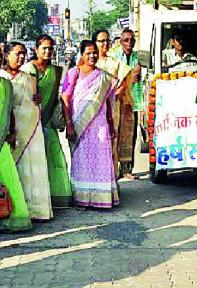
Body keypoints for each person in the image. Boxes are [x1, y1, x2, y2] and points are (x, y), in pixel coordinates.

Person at [61, 40, 119, 210]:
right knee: (82, 159)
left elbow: (108, 102)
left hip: (99, 123)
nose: (92, 55)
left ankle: (102, 197)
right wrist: (69, 124)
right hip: (80, 123)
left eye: (94, 52)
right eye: (88, 53)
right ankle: (82, 197)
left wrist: (110, 123)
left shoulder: (104, 77)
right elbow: (65, 98)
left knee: (101, 158)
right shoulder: (74, 73)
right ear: (82, 54)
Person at [0, 42, 53, 221]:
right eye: (17, 53)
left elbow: (35, 103)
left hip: (29, 128)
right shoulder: (1, 77)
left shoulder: (29, 78)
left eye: (23, 53)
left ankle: (35, 210)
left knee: (30, 169)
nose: (21, 57)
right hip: (5, 129)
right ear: (6, 55)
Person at [21, 35, 73, 209]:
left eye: (50, 48)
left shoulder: (56, 71)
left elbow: (56, 98)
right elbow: (23, 92)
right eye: (44, 48)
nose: (48, 51)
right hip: (29, 121)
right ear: (36, 50)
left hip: (47, 121)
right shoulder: (29, 68)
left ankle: (56, 197)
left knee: (55, 156)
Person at [92, 30, 133, 181]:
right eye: (101, 41)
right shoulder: (89, 63)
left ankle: (111, 183)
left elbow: (123, 84)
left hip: (111, 108)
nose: (105, 44)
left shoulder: (114, 63)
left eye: (107, 41)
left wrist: (109, 97)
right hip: (92, 111)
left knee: (111, 144)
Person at [0, 75, 32, 232]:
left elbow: (9, 111)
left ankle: (17, 217)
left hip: (1, 140)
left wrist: (12, 131)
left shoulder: (5, 85)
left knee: (9, 179)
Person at [108, 29, 141, 180]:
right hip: (117, 100)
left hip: (133, 100)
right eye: (126, 40)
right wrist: (127, 79)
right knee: (115, 135)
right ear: (120, 42)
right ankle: (113, 168)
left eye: (131, 40)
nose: (129, 43)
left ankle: (127, 169)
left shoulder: (138, 57)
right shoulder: (113, 57)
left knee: (130, 135)